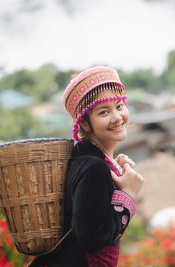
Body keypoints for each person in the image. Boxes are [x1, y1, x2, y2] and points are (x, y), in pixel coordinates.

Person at [30, 66, 144, 266]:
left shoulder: (83, 159)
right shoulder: (94, 168)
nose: (117, 117)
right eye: (103, 112)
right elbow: (92, 239)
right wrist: (128, 194)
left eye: (119, 106)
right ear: (84, 123)